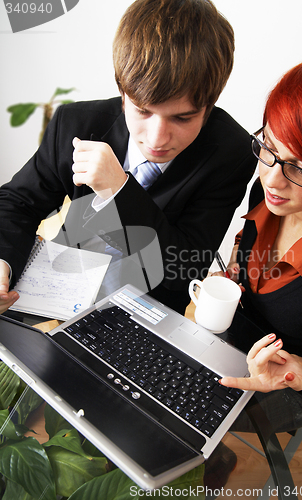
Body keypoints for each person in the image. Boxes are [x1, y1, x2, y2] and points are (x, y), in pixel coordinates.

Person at [0, 0, 255, 317]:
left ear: (210, 105)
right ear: (123, 93)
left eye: (183, 118)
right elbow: (17, 202)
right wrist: (3, 260)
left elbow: (184, 265)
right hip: (56, 294)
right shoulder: (76, 122)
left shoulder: (232, 153)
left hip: (148, 314)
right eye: (143, 111)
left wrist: (119, 191)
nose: (157, 138)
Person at [214, 51, 302, 432]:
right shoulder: (270, 190)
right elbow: (246, 239)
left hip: (292, 383)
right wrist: (234, 269)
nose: (273, 180)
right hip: (235, 335)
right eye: (269, 147)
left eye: (301, 168)